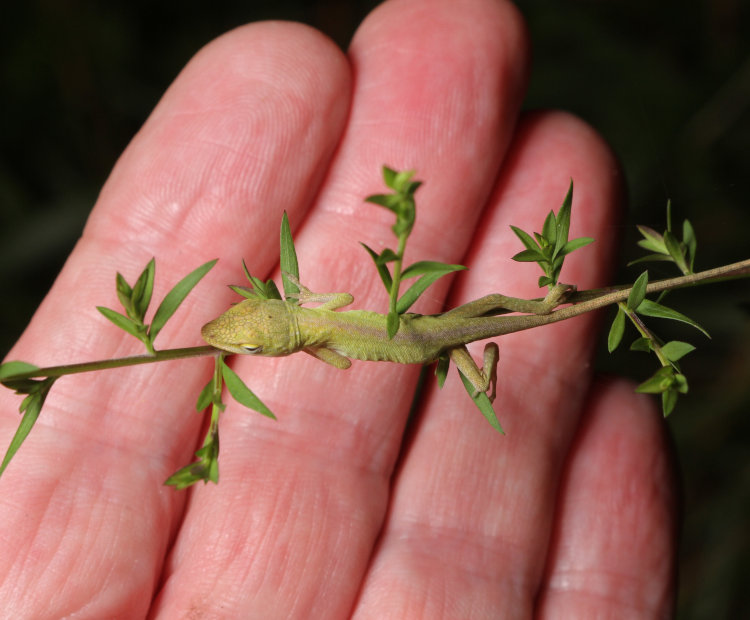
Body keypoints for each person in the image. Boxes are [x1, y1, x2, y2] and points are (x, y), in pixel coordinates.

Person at [0, 0, 676, 616]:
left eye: (257, 344)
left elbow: (342, 357)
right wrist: (302, 306)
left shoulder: (315, 344)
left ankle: (512, 340)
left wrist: (309, 331)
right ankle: (543, 307)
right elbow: (343, 306)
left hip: (428, 338)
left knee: (486, 327)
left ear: (281, 336)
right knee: (495, 307)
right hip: (425, 333)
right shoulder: (308, 325)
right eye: (256, 344)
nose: (250, 348)